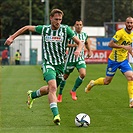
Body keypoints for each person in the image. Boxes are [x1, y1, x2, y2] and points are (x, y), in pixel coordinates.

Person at [4, 9, 83, 125]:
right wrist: (12, 37)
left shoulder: (66, 30)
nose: (58, 22)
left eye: (60, 19)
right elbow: (26, 27)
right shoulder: (44, 29)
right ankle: (56, 115)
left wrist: (78, 49)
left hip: (60, 65)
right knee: (53, 87)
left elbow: (80, 42)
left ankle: (32, 94)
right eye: (56, 19)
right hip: (48, 63)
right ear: (51, 18)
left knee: (49, 89)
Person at [85, 16, 133, 108]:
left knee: (131, 77)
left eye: (131, 23)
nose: (130, 24)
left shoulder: (132, 34)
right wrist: (123, 47)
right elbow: (110, 44)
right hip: (113, 61)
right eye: (128, 23)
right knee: (107, 81)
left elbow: (129, 47)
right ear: (125, 23)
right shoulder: (120, 33)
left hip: (123, 61)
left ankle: (131, 101)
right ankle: (92, 83)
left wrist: (130, 52)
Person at [57, 20, 92, 102]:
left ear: (82, 26)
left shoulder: (84, 35)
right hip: (70, 59)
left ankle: (73, 91)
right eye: (77, 25)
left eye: (80, 25)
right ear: (74, 26)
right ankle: (60, 94)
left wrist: (89, 50)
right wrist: (74, 45)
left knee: (83, 74)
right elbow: (64, 43)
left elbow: (86, 43)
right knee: (65, 77)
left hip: (80, 58)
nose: (79, 26)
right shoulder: (70, 34)